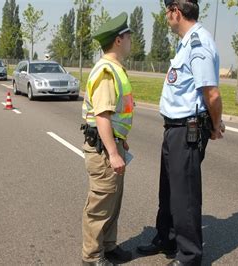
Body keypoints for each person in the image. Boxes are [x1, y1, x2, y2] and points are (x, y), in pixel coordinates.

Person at [136, 0, 225, 265]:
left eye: (167, 12)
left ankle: (189, 256)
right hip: (174, 128)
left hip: (187, 129)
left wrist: (215, 125)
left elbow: (212, 93)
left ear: (176, 12)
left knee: (184, 195)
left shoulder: (198, 43)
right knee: (169, 190)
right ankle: (167, 238)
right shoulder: (186, 42)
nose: (166, 17)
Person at [80, 11, 135, 266]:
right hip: (103, 150)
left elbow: (115, 115)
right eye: (128, 35)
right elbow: (102, 115)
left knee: (112, 202)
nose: (132, 39)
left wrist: (120, 140)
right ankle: (92, 257)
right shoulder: (106, 71)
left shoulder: (115, 69)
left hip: (111, 144)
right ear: (118, 40)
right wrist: (113, 153)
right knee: (100, 205)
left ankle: (109, 246)